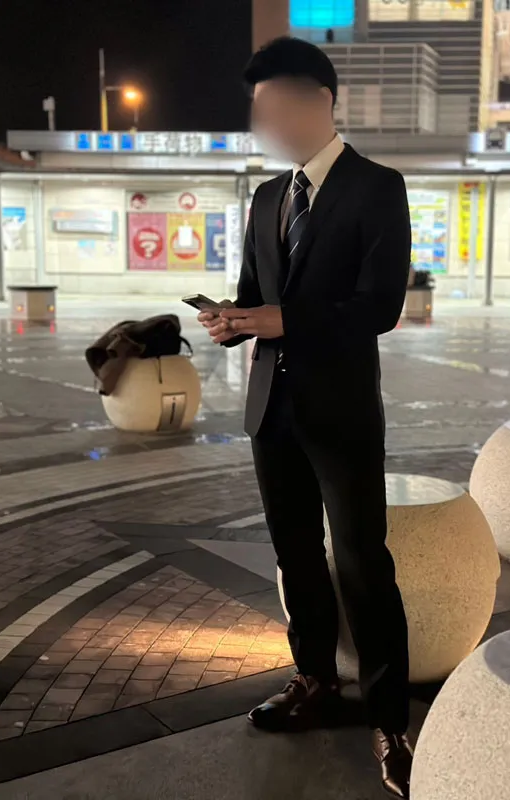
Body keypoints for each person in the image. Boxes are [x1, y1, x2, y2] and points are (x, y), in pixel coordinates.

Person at [198, 37, 412, 798]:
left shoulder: (376, 187)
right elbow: (255, 291)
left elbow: (379, 307)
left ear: (321, 101)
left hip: (341, 409)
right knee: (295, 555)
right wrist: (231, 320)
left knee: (361, 560)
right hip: (272, 407)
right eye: (260, 113)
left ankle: (390, 718)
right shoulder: (266, 198)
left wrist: (280, 320)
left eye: (280, 109)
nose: (269, 126)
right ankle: (314, 679)